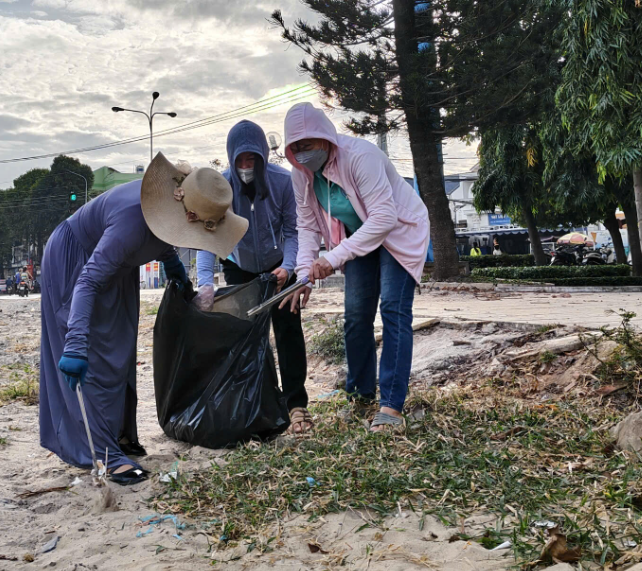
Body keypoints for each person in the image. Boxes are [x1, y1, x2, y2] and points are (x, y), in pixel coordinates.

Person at [41, 154, 247, 485]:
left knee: (119, 350)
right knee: (93, 355)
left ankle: (117, 436)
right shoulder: (130, 223)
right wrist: (75, 343)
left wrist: (177, 273)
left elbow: (162, 237)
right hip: (76, 258)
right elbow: (88, 282)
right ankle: (103, 454)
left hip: (120, 266)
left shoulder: (169, 210)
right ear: (189, 214)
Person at [283, 103, 429, 433]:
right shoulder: (301, 174)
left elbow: (384, 217)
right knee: (355, 316)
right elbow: (307, 226)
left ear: (324, 137)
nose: (303, 153)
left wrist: (332, 258)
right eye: (296, 147)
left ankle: (391, 407)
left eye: (308, 144)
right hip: (360, 237)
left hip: (398, 231)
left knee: (393, 310)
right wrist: (304, 275)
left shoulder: (361, 156)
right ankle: (361, 396)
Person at [194, 121, 311, 435]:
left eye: (252, 159)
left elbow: (293, 231)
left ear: (262, 157)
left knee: (288, 331)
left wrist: (289, 267)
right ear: (231, 158)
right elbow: (207, 239)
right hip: (239, 266)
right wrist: (205, 283)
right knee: (246, 337)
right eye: (240, 160)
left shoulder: (283, 182)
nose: (246, 167)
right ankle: (255, 404)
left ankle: (296, 405)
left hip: (279, 267)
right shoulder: (220, 189)